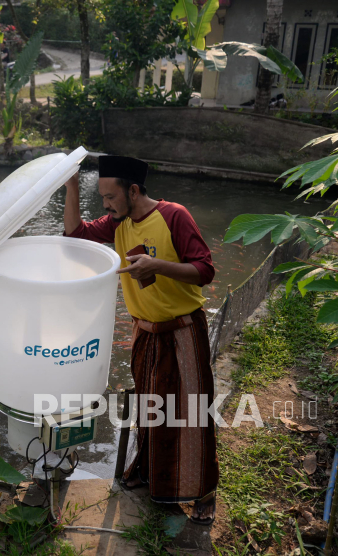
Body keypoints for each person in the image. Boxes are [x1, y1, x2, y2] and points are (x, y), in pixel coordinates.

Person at [63, 155, 218, 525]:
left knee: (191, 414)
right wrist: (70, 186)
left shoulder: (173, 215)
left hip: (182, 330)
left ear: (133, 190)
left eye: (110, 196)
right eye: (102, 198)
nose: (106, 204)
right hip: (145, 333)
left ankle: (204, 493)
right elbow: (74, 237)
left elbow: (205, 270)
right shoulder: (117, 224)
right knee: (151, 412)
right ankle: (152, 478)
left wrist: (158, 266)